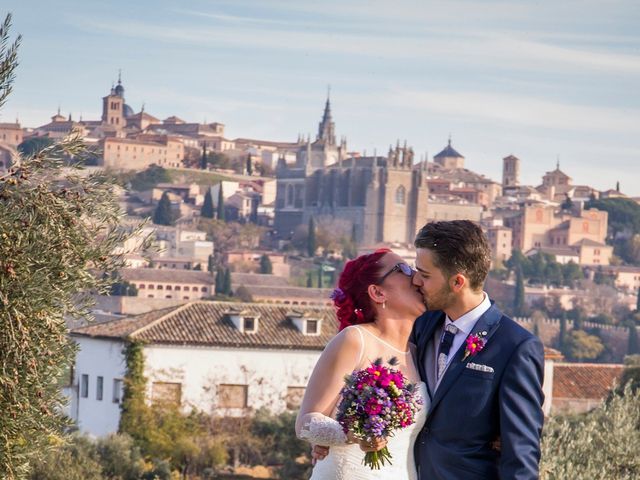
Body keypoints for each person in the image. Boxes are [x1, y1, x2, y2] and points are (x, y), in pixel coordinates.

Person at [410, 220, 544, 479]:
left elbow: (521, 454)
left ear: (457, 282)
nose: (416, 281)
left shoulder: (515, 347)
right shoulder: (420, 324)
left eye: (425, 275)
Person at [295, 248, 429, 479]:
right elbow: (306, 422)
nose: (415, 276)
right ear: (377, 292)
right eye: (403, 269)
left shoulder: (420, 353)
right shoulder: (355, 340)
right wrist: (355, 434)